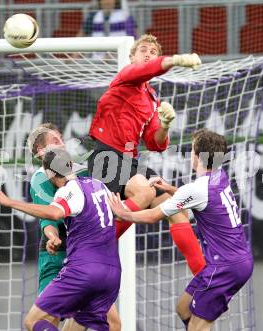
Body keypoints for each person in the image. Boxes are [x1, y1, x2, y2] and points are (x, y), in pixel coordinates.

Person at [107, 129, 254, 331]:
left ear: (197, 156)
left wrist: (123, 213)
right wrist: (168, 188)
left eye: (192, 150)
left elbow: (152, 216)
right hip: (233, 261)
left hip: (225, 267)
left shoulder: (196, 189)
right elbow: (196, 198)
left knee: (196, 326)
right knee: (183, 308)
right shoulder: (219, 177)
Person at [88, 33, 205, 275]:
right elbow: (148, 69)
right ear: (131, 57)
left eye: (153, 51)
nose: (148, 54)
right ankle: (96, 247)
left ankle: (204, 275)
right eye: (143, 50)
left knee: (176, 207)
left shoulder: (151, 99)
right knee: (145, 190)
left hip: (129, 161)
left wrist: (164, 125)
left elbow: (156, 144)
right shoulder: (125, 78)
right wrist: (175, 60)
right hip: (106, 156)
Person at [0, 148, 121, 331]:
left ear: (50, 173)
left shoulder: (71, 190)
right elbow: (119, 214)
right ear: (71, 165)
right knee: (101, 325)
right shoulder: (99, 185)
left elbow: (53, 212)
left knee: (32, 321)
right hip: (112, 273)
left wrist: (10, 202)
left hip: (83, 271)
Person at [27, 123, 121, 330]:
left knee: (113, 323)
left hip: (84, 258)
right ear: (40, 152)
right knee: (44, 320)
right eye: (55, 141)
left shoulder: (75, 172)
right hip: (58, 254)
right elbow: (49, 218)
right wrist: (52, 236)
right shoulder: (40, 179)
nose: (61, 143)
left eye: (61, 138)